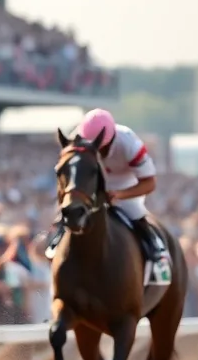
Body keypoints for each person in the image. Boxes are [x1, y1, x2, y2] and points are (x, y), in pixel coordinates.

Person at [66, 108, 161, 260]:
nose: (95, 150)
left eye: (99, 146)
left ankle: (155, 251)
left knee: (135, 212)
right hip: (93, 181)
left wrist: (120, 194)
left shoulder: (131, 144)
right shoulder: (78, 137)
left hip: (125, 183)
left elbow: (150, 183)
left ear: (110, 139)